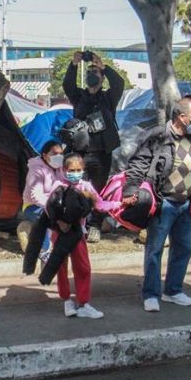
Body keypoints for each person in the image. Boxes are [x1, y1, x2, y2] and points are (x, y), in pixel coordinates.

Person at [123, 98, 191, 313]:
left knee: (183, 248)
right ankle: (151, 294)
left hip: (186, 204)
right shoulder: (158, 136)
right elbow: (138, 163)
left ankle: (173, 290)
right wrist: (130, 191)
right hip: (163, 201)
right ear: (181, 117)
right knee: (155, 249)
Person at [43, 153, 119, 319]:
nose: (75, 173)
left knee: (83, 267)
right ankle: (66, 301)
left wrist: (119, 204)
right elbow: (49, 208)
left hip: (78, 233)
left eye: (79, 170)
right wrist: (59, 223)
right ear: (64, 170)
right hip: (60, 233)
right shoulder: (58, 185)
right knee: (61, 268)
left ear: (83, 170)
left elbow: (100, 204)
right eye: (72, 170)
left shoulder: (86, 187)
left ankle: (84, 303)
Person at [63, 51, 125, 242]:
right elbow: (68, 85)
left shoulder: (108, 98)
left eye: (96, 72)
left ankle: (95, 226)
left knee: (97, 191)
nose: (92, 74)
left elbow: (119, 83)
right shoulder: (79, 96)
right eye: (89, 71)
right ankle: (77, 223)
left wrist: (102, 65)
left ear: (102, 77)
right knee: (78, 189)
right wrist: (74, 64)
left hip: (101, 154)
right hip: (80, 153)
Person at [17, 140, 64, 256]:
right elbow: (35, 195)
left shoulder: (60, 168)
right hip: (33, 206)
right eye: (54, 154)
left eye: (60, 153)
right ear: (44, 155)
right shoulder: (36, 170)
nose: (58, 157)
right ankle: (44, 250)